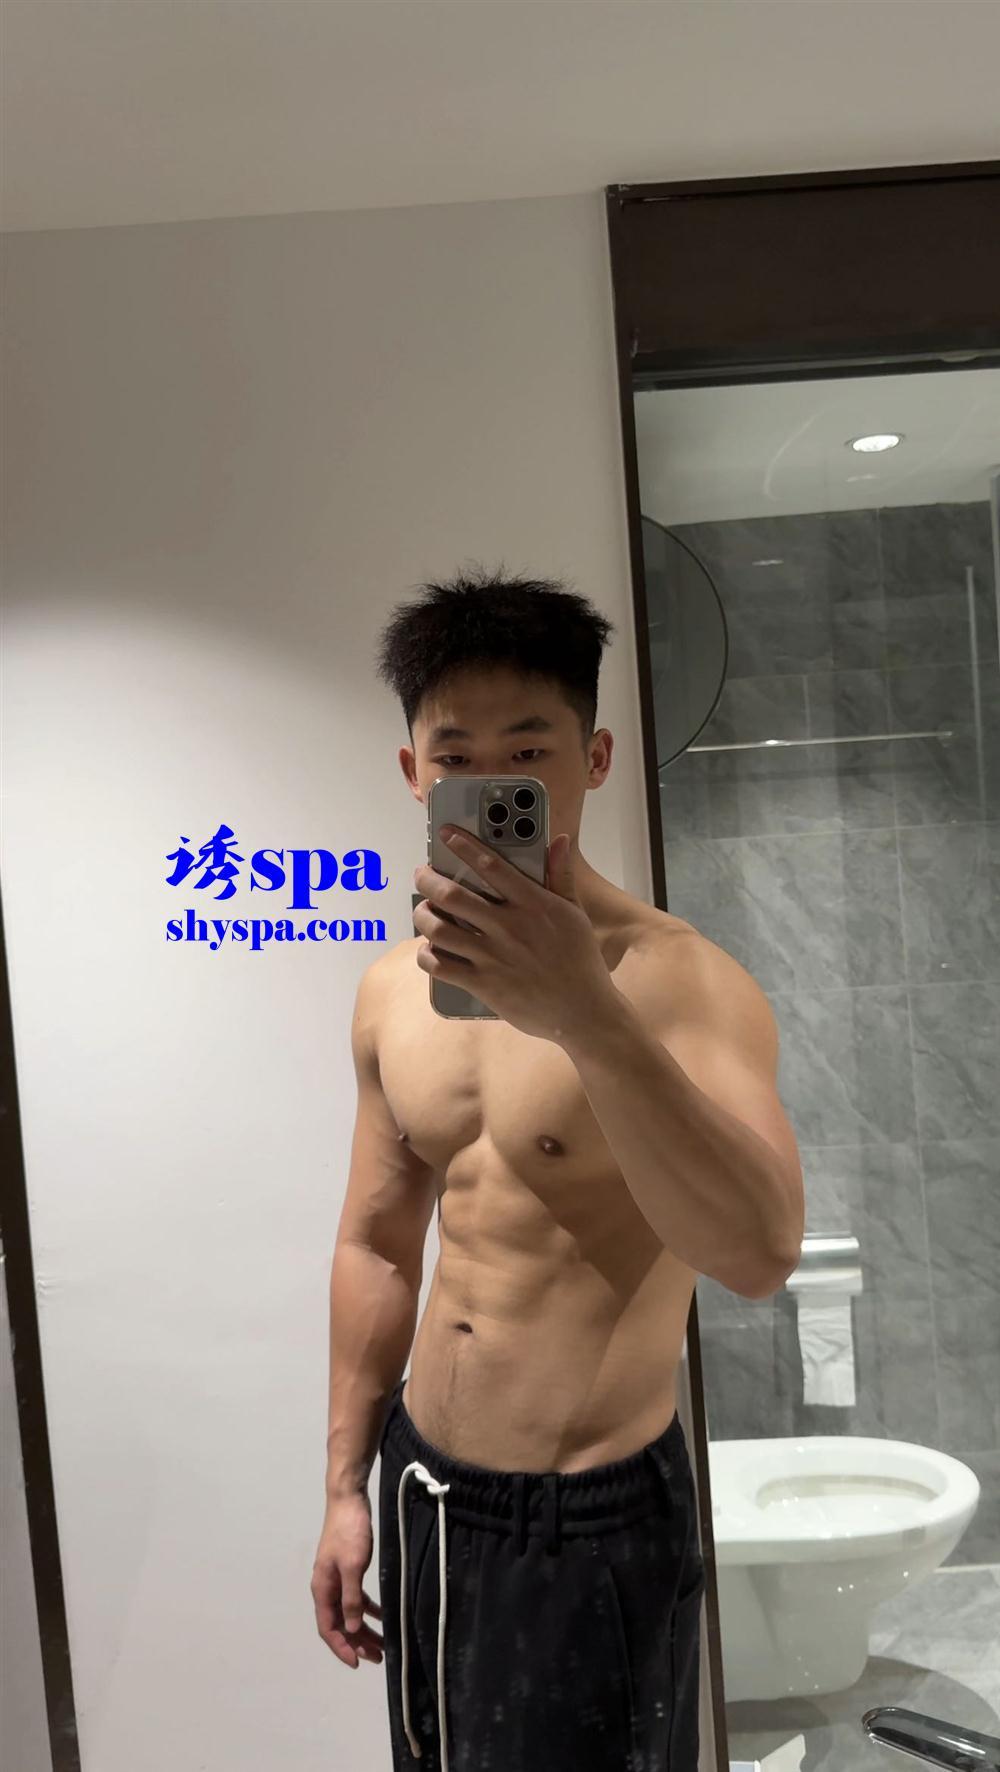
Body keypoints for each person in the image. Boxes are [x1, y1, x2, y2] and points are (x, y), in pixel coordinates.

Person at [311, 567, 804, 1771]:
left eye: (526, 752)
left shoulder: (683, 983)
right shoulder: (392, 990)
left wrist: (585, 1010)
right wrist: (343, 1485)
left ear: (592, 759)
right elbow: (377, 1244)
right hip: (425, 1486)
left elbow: (757, 1253)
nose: (490, 780)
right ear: (415, 772)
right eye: (457, 754)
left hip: (587, 1521)